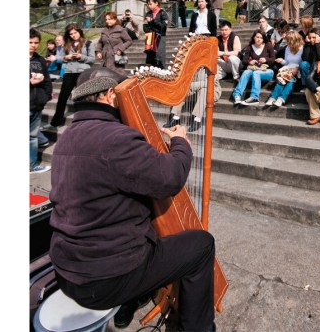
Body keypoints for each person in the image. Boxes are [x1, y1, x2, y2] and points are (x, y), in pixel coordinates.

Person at [49, 66, 217, 332]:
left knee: (143, 223)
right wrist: (181, 143)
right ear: (110, 95)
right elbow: (170, 177)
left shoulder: (66, 139)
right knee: (202, 245)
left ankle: (132, 301)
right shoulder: (115, 138)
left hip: (68, 270)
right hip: (105, 278)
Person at [49, 23, 96, 128]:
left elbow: (92, 59)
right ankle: (56, 120)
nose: (73, 35)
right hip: (69, 72)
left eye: (75, 32)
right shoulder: (67, 44)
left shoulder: (88, 43)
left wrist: (81, 56)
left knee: (84, 96)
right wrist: (67, 57)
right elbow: (60, 58)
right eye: (71, 34)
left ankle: (86, 120)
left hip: (83, 72)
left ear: (79, 32)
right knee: (62, 97)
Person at [165, 66, 223, 134]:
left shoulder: (215, 66)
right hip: (196, 91)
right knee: (181, 90)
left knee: (204, 90)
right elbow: (187, 84)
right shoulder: (193, 66)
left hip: (213, 92)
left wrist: (192, 85)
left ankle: (197, 119)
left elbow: (209, 83)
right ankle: (175, 117)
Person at [231, 30, 276, 106]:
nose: (259, 39)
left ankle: (254, 97)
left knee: (256, 73)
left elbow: (273, 59)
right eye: (257, 37)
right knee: (246, 72)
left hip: (267, 71)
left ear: (263, 39)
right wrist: (249, 62)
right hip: (255, 69)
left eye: (261, 38)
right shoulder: (250, 47)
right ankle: (237, 95)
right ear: (254, 38)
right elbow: (244, 60)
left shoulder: (268, 45)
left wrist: (266, 59)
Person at [30, 28, 53, 173]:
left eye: (36, 42)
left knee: (32, 136)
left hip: (36, 103)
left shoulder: (39, 59)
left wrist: (46, 95)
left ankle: (31, 164)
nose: (33, 45)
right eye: (30, 42)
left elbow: (47, 80)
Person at [266, 30, 305, 107]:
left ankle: (281, 98)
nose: (287, 43)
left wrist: (298, 69)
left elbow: (304, 63)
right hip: (288, 69)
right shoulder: (288, 48)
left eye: (289, 41)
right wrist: (281, 61)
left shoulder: (302, 49)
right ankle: (273, 97)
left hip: (297, 72)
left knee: (291, 80)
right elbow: (287, 62)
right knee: (281, 79)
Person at [143, 0, 169, 68]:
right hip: (150, 37)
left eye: (150, 4)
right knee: (150, 57)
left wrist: (153, 21)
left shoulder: (162, 13)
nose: (149, 6)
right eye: (148, 4)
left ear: (156, 3)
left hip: (160, 36)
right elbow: (144, 26)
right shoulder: (148, 13)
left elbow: (163, 27)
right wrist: (149, 31)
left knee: (159, 56)